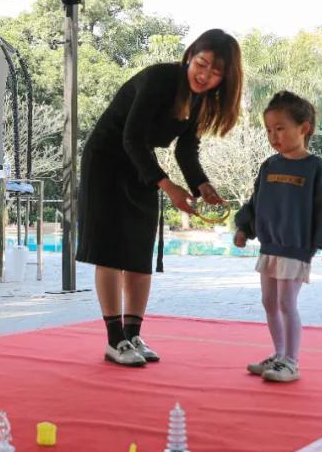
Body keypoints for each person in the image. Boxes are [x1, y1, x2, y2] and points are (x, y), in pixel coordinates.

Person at [77, 29, 243, 366]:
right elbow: (132, 138)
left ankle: (133, 334)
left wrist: (202, 186)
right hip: (107, 161)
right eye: (201, 64)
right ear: (189, 56)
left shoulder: (202, 100)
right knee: (110, 252)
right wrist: (168, 187)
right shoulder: (160, 79)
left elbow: (187, 150)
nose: (205, 75)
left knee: (138, 251)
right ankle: (114, 340)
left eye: (215, 73)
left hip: (142, 164)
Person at [233, 91, 322, 383]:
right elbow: (255, 202)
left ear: (304, 128)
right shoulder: (269, 166)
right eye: (269, 130)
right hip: (269, 247)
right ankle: (278, 354)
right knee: (269, 302)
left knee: (287, 303)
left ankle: (292, 362)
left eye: (280, 128)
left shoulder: (315, 167)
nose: (274, 136)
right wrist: (244, 228)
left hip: (295, 249)